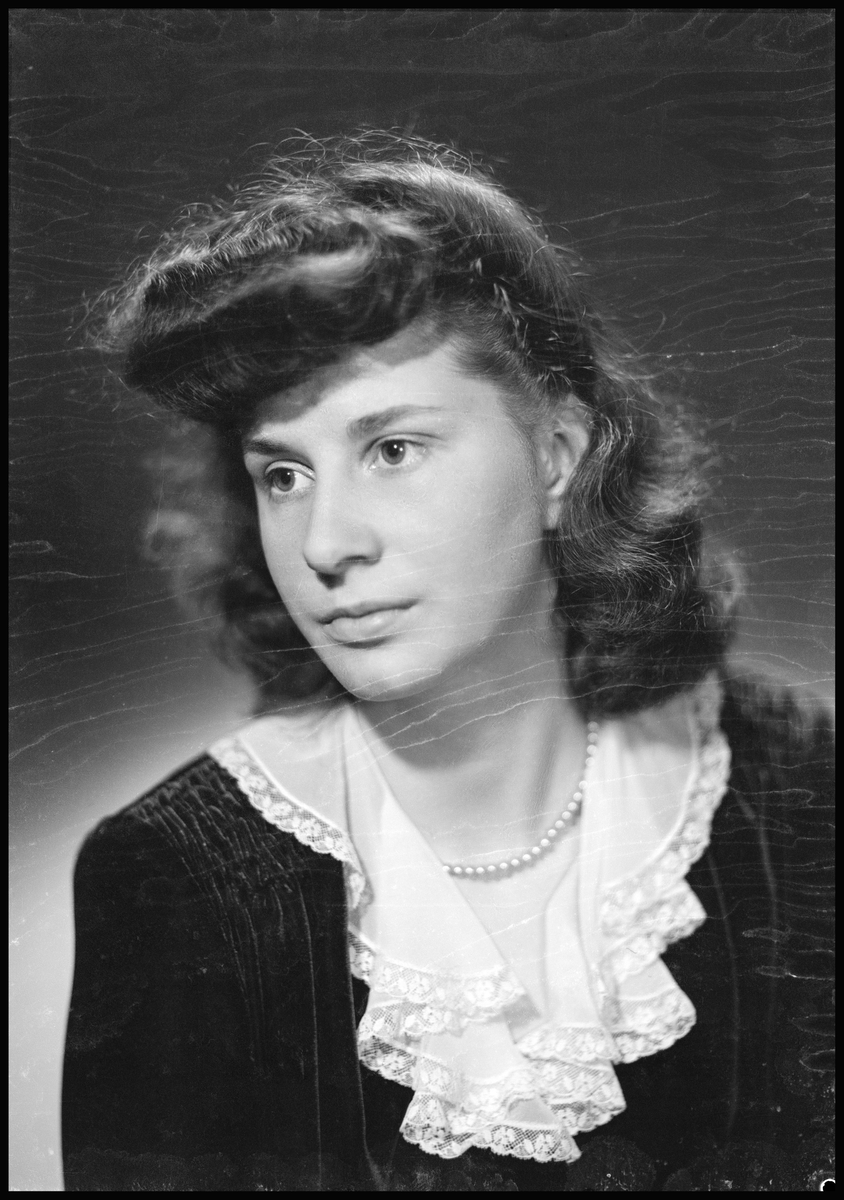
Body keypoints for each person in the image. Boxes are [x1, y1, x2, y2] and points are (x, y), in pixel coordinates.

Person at [62, 134, 833, 1192]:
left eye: (392, 449)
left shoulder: (800, 780)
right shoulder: (172, 875)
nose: (327, 543)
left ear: (557, 457)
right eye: (283, 474)